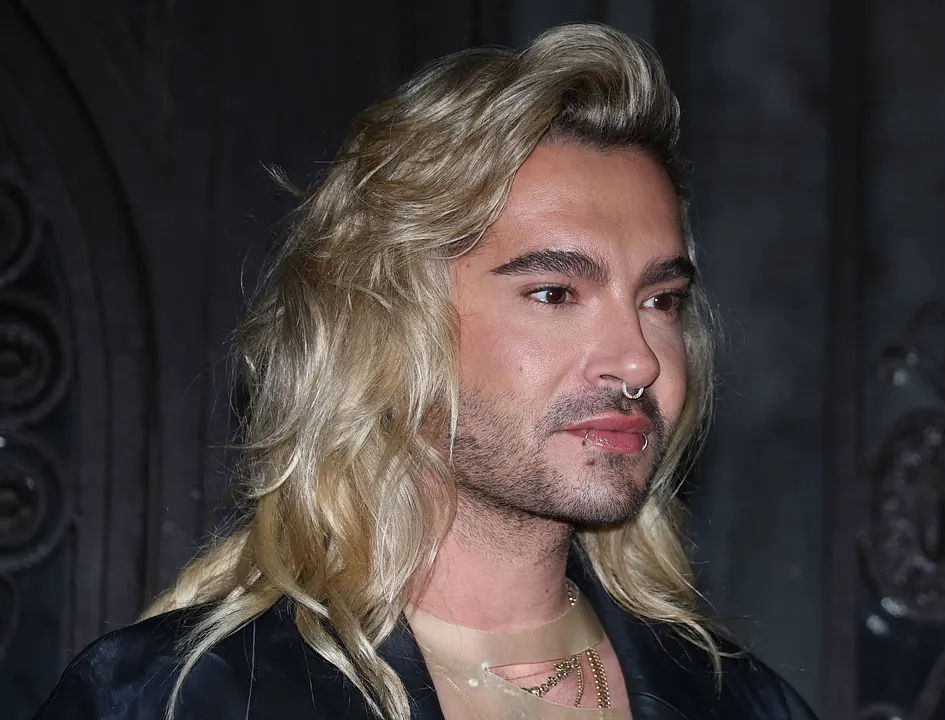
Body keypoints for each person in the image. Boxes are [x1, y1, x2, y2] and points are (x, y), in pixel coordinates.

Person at [36, 22, 817, 720]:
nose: (639, 359)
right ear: (389, 320)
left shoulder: (747, 705)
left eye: (660, 300)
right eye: (555, 293)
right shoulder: (166, 700)